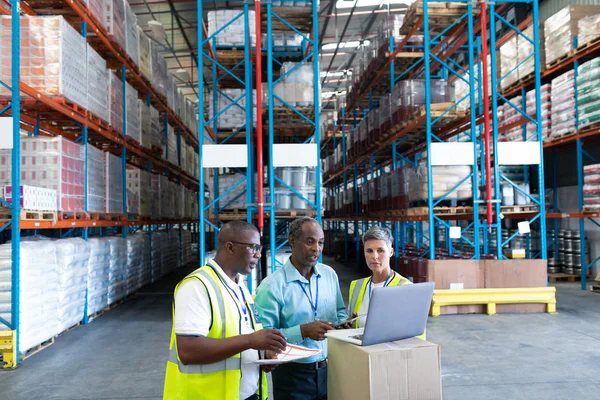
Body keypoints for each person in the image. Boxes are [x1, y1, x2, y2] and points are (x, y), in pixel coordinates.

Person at [163, 220, 287, 400]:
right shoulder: (197, 287)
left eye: (259, 248)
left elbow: (237, 336)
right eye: (253, 247)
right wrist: (251, 341)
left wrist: (262, 354)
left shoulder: (239, 287)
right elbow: (188, 351)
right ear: (230, 247)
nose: (258, 254)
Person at [255, 217, 350, 400]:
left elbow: (339, 312)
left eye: (320, 242)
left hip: (329, 370)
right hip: (292, 376)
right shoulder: (272, 286)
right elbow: (264, 339)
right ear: (292, 241)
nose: (316, 248)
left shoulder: (329, 275)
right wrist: (303, 331)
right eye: (309, 241)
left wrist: (342, 325)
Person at [348, 226, 426, 340]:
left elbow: (416, 334)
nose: (374, 256)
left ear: (390, 252)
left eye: (380, 250)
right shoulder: (356, 286)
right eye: (369, 251)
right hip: (362, 352)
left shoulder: (405, 287)